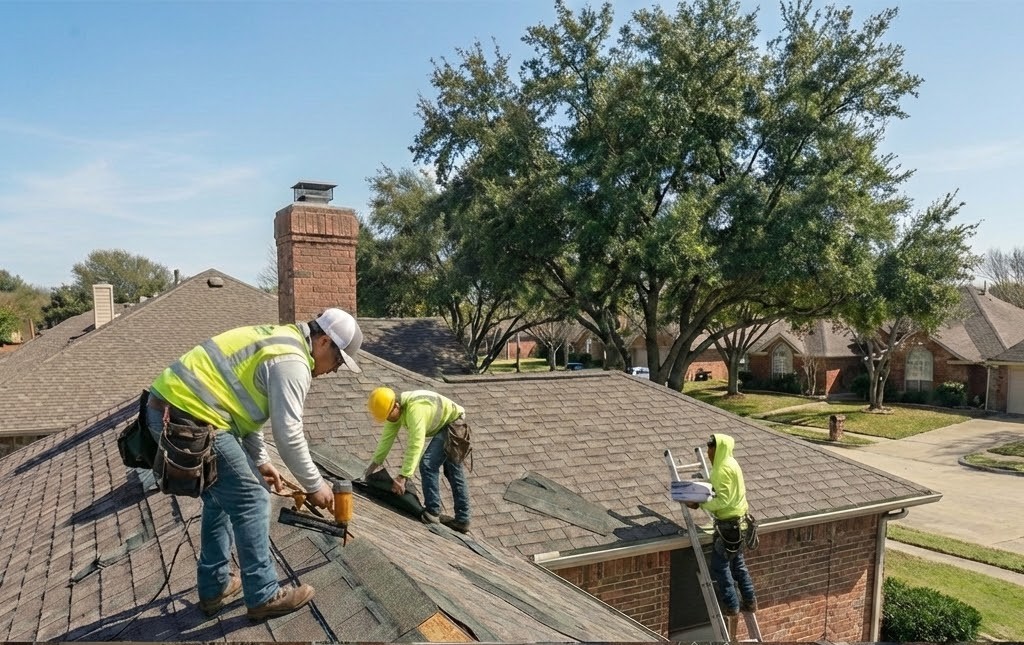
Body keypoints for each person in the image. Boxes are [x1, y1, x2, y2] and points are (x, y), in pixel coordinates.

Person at [145, 308, 362, 621]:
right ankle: (262, 595)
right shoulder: (293, 362)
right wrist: (316, 485)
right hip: (187, 419)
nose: (335, 370)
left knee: (221, 498)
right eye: (339, 361)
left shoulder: (282, 341)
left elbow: (245, 406)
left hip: (171, 410)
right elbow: (288, 435)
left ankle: (215, 587)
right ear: (325, 341)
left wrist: (260, 460)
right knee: (252, 498)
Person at [363, 387, 472, 533]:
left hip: (454, 424)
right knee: (454, 472)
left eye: (388, 415)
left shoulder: (415, 410)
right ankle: (462, 520)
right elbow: (386, 440)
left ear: (396, 405)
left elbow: (416, 443)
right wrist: (372, 466)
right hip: (447, 423)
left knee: (428, 464)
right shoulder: (395, 410)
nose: (388, 419)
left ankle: (433, 512)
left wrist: (403, 477)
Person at [686, 433, 757, 639]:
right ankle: (750, 601)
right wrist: (705, 488)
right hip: (741, 523)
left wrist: (700, 503)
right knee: (738, 564)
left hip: (729, 526)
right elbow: (720, 488)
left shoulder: (722, 469)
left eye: (710, 449)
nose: (708, 453)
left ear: (718, 449)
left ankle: (732, 607)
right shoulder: (731, 463)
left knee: (720, 566)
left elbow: (722, 500)